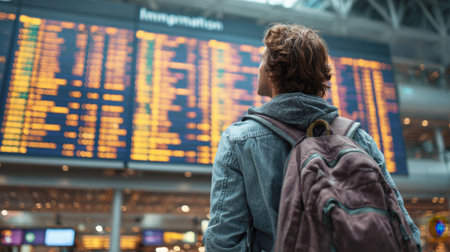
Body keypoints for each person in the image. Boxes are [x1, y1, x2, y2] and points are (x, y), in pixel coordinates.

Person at [202, 23, 421, 251]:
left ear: (271, 70)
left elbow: (223, 240)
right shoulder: (360, 139)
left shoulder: (239, 140)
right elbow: (407, 231)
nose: (258, 67)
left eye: (261, 60)